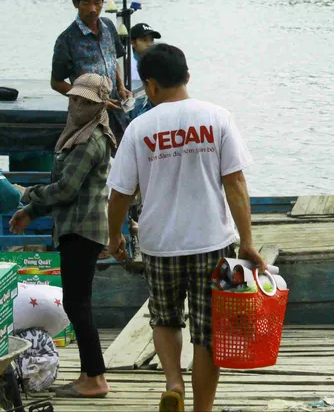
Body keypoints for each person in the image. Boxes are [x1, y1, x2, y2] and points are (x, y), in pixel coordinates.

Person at [105, 44, 265, 412]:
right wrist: (248, 242)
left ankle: (173, 382)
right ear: (188, 77)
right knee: (208, 335)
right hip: (212, 242)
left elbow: (120, 194)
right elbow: (235, 183)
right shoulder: (217, 117)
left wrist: (114, 237)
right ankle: (202, 409)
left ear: (150, 86)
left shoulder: (138, 128)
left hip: (160, 244)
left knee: (165, 318)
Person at [9, 73, 116, 399]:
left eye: (86, 102)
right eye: (74, 99)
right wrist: (31, 212)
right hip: (74, 227)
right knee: (77, 303)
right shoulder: (77, 136)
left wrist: (29, 194)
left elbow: (66, 189)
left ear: (98, 106)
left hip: (83, 230)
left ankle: (95, 378)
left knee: (77, 304)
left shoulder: (89, 141)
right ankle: (89, 374)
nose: (78, 106)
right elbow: (65, 193)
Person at [51, 0, 131, 141]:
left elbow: (112, 60)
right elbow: (56, 83)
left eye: (97, 2)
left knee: (124, 157)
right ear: (76, 4)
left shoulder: (108, 26)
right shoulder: (66, 40)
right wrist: (92, 100)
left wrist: (121, 87)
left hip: (115, 109)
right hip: (87, 118)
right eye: (86, 4)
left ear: (103, 1)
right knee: (94, 160)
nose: (93, 9)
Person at [129, 22, 162, 117]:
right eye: (144, 40)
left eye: (151, 40)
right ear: (133, 42)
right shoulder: (128, 64)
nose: (149, 44)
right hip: (136, 110)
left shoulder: (158, 61)